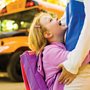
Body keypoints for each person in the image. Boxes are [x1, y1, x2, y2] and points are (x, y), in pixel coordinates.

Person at [28, 12, 90, 90]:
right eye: (51, 20)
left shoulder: (59, 47)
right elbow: (78, 58)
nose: (56, 18)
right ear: (48, 34)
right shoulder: (49, 52)